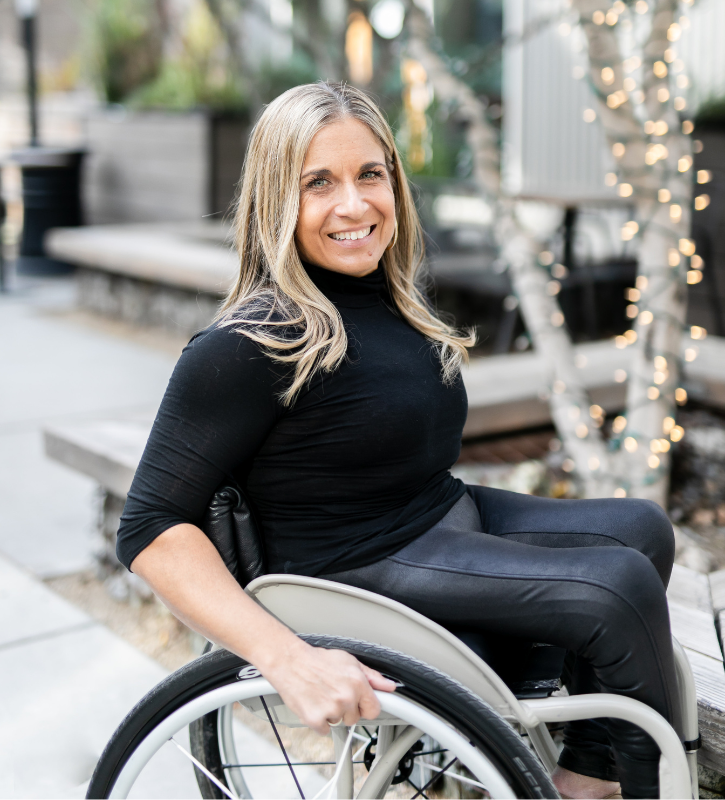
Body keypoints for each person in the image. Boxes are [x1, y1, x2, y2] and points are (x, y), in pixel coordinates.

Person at [117, 82, 680, 800]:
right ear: (273, 200)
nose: (353, 206)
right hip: (354, 565)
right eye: (317, 183)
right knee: (617, 587)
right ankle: (630, 787)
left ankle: (586, 772)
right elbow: (149, 528)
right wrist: (285, 658)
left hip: (431, 517)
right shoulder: (246, 344)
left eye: (369, 175)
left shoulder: (382, 296)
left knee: (641, 529)